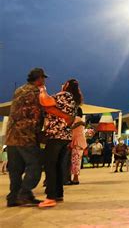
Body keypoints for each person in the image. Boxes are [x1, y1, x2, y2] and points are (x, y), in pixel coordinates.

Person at [5, 68, 49, 207]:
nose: (44, 81)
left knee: (15, 169)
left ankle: (13, 197)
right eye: (43, 78)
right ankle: (24, 193)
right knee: (35, 165)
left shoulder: (19, 90)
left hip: (11, 136)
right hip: (26, 136)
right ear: (39, 78)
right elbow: (36, 116)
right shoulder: (36, 93)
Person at [38, 79, 81, 208]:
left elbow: (46, 101)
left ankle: (51, 196)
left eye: (63, 83)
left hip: (56, 135)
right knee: (57, 166)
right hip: (65, 137)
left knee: (50, 166)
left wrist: (42, 89)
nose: (61, 85)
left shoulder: (64, 95)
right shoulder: (73, 100)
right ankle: (58, 194)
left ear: (66, 86)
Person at [69, 107, 86, 184]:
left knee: (75, 160)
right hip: (80, 142)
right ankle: (75, 177)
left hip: (76, 142)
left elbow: (70, 128)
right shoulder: (80, 119)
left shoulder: (76, 119)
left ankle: (75, 178)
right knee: (77, 160)